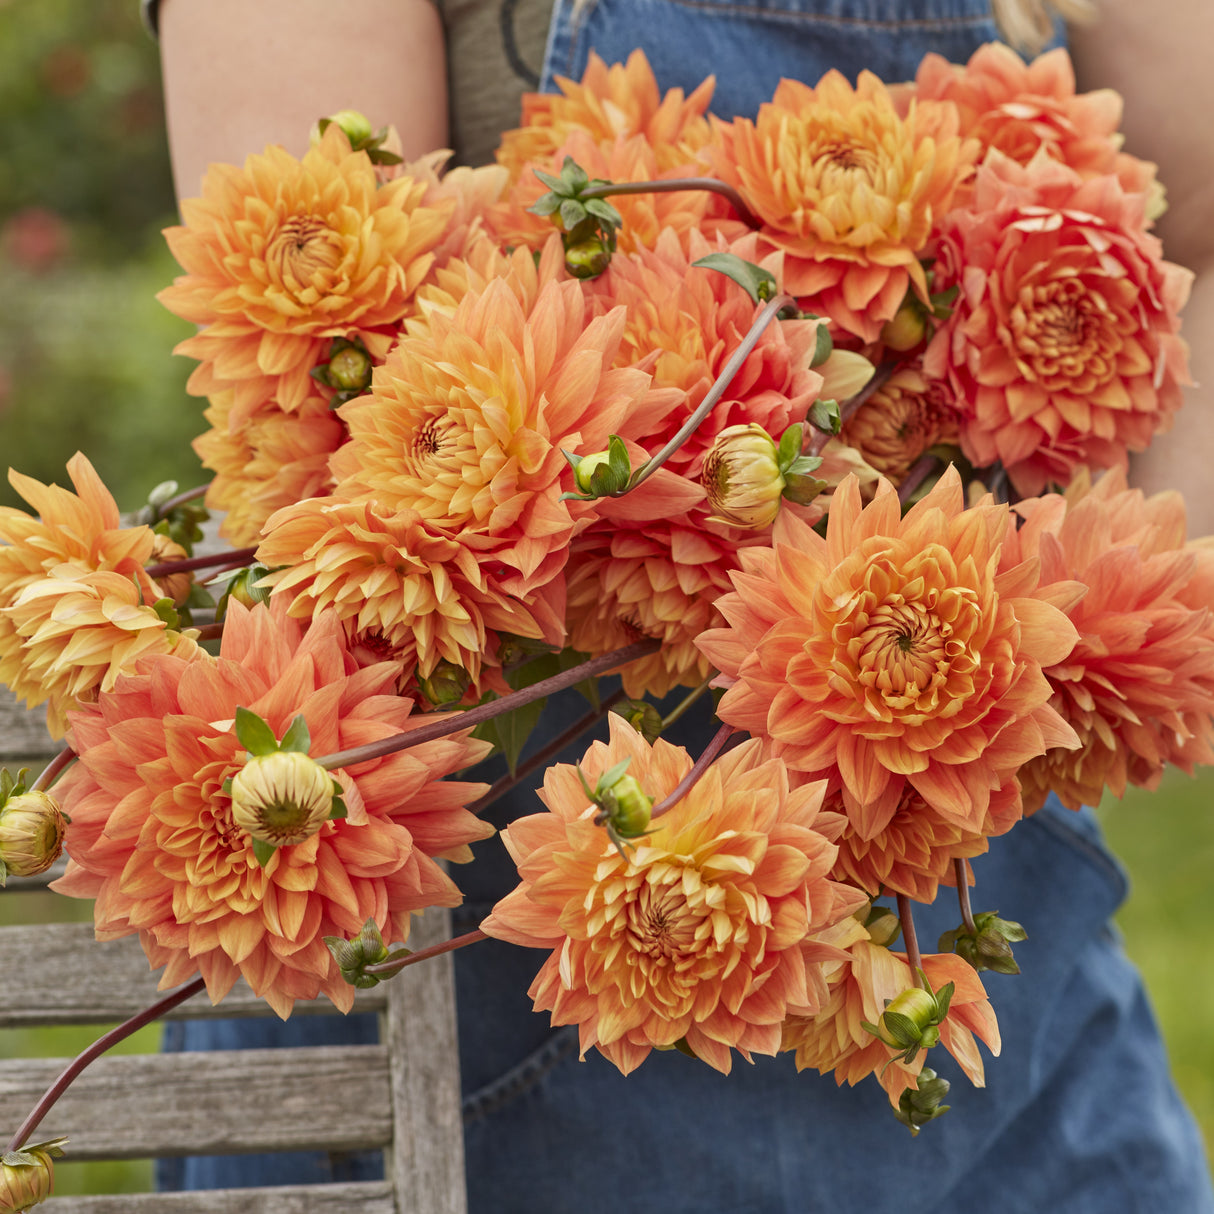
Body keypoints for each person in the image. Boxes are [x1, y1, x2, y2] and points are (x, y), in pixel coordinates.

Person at [147, 1, 1214, 1209]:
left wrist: (1118, 598)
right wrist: (720, 517)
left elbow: (1202, 221)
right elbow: (321, 367)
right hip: (527, 966)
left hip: (982, 878)